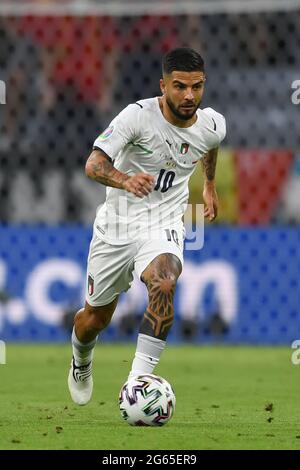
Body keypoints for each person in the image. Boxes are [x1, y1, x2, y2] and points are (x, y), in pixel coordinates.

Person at [68, 47, 226, 405]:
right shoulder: (136, 117)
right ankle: (80, 359)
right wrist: (125, 180)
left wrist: (210, 185)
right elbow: (93, 165)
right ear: (164, 85)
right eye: (180, 86)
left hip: (165, 221)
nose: (189, 96)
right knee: (95, 318)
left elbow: (210, 144)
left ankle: (139, 380)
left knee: (164, 281)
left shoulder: (213, 123)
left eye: (197, 87)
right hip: (118, 224)